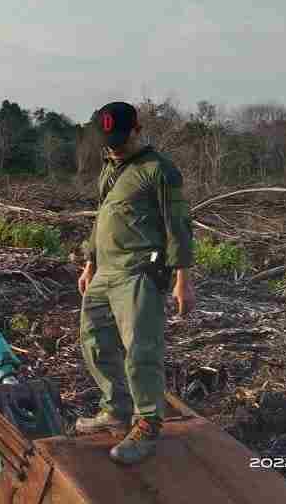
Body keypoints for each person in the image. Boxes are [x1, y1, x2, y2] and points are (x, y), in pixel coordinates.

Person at [75, 101, 196, 465]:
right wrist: (89, 263)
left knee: (141, 351)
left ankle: (146, 424)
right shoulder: (110, 168)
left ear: (137, 128)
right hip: (104, 272)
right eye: (108, 139)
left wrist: (182, 280)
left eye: (120, 138)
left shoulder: (159, 171)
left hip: (138, 273)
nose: (113, 145)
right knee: (94, 339)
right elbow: (102, 218)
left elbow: (179, 228)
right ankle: (115, 410)